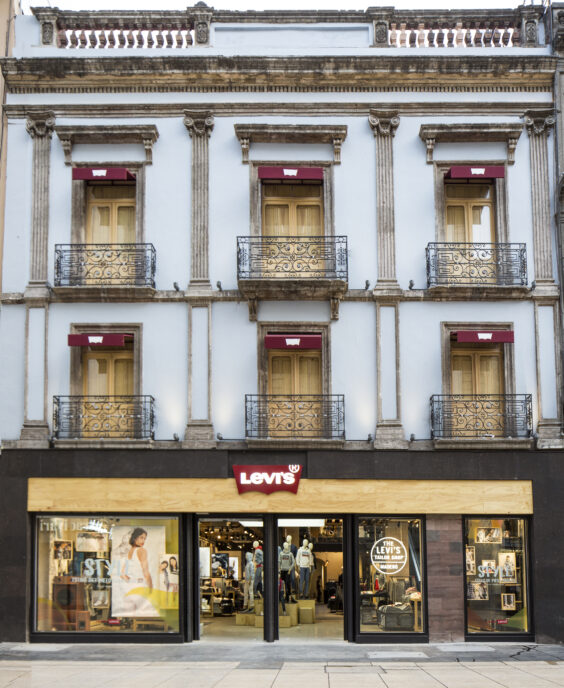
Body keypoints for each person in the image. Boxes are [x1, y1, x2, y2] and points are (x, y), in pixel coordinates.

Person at [120, 527, 154, 615]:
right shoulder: (141, 550)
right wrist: (151, 588)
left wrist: (129, 580)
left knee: (132, 614)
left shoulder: (130, 551)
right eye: (141, 537)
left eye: (145, 538)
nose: (143, 540)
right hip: (140, 585)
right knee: (145, 614)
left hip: (129, 587)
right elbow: (146, 572)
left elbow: (122, 573)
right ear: (135, 537)